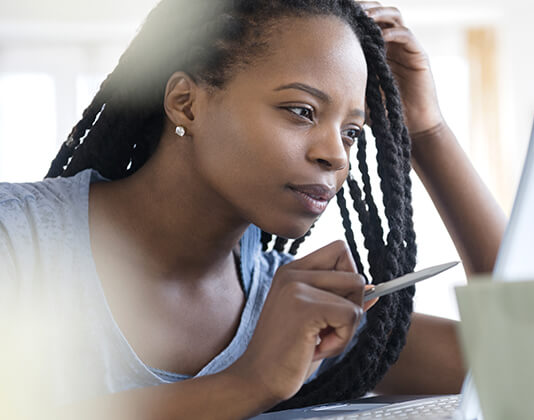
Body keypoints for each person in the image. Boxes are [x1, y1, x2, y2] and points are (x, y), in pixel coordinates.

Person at [0, 0, 506, 418]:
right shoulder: (18, 240)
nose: (336, 155)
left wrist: (426, 131)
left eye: (352, 131)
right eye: (301, 111)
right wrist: (248, 383)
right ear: (186, 103)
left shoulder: (292, 312)